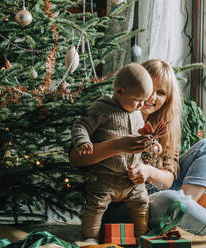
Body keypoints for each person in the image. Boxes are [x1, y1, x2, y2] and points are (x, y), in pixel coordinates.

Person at [68, 59, 206, 245]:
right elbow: (76, 159)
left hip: (155, 192)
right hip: (122, 203)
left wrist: (148, 171)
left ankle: (181, 212)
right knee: (171, 200)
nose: (152, 98)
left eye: (161, 93)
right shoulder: (109, 112)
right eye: (150, 88)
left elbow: (169, 179)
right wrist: (118, 145)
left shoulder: (162, 123)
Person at [70, 63, 156, 243]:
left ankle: (142, 237)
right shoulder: (102, 108)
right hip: (104, 175)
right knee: (94, 206)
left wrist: (152, 144)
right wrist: (83, 141)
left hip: (130, 178)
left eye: (144, 100)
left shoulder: (136, 112)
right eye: (137, 99)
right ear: (119, 91)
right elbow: (81, 125)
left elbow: (143, 136)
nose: (141, 105)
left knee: (142, 202)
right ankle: (89, 238)